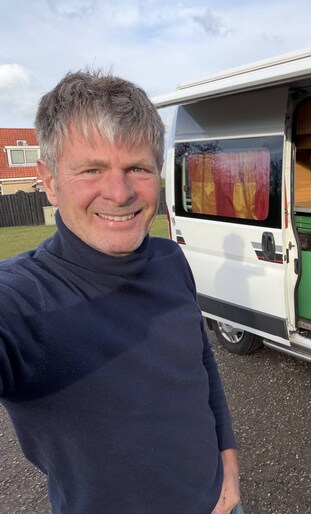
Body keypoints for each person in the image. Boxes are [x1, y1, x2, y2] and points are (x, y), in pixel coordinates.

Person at [0, 70, 240, 513]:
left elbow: (202, 363)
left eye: (137, 168)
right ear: (49, 181)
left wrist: (228, 460)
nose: (120, 192)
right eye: (92, 169)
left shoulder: (170, 259)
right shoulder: (22, 299)